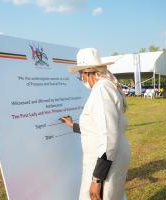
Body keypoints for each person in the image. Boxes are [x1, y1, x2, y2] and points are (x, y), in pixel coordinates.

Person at [61, 48, 130, 200]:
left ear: (86, 72)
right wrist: (73, 125)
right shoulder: (107, 86)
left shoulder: (101, 89)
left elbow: (107, 136)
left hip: (105, 164)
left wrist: (97, 179)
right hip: (111, 158)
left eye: (80, 74)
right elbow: (99, 126)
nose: (81, 78)